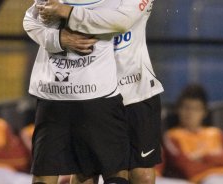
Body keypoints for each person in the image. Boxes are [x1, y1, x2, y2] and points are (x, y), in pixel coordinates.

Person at [37, 0, 164, 183]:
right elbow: (37, 18)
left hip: (135, 90)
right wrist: (58, 35)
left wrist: (66, 12)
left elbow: (120, 21)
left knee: (141, 174)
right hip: (89, 90)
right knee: (85, 172)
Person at [23, 0, 131, 183]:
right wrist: (59, 39)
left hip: (96, 96)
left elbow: (119, 21)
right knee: (46, 170)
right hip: (57, 96)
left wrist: (66, 12)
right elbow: (30, 21)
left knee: (104, 171)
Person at [162, 84, 223, 184]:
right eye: (186, 108)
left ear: (204, 112)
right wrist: (220, 159)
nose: (190, 113)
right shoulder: (173, 136)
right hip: (203, 179)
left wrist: (204, 158)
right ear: (178, 110)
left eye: (196, 109)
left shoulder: (216, 133)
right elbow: (188, 169)